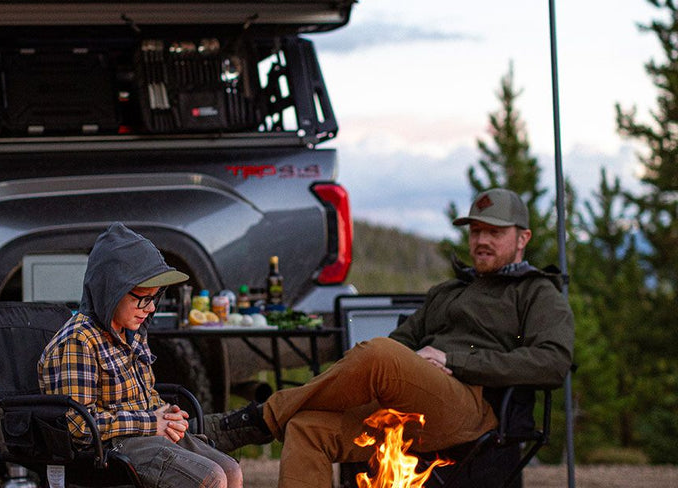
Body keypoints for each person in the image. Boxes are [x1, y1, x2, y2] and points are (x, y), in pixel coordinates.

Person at [204, 188, 574, 488]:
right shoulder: (448, 292)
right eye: (476, 231)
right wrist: (411, 368)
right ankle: (268, 420)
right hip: (412, 407)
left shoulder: (536, 292)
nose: (481, 241)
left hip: (473, 407)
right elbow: (401, 343)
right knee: (308, 429)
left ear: (523, 238)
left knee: (378, 353)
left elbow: (552, 362)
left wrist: (454, 361)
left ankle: (258, 420)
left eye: (494, 232)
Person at [39, 222, 242, 488]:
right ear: (111, 291)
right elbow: (78, 425)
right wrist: (150, 422)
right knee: (210, 478)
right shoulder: (80, 341)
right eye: (142, 298)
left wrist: (167, 415)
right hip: (110, 447)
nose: (150, 308)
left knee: (231, 470)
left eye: (155, 298)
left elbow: (145, 396)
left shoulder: (132, 333)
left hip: (147, 435)